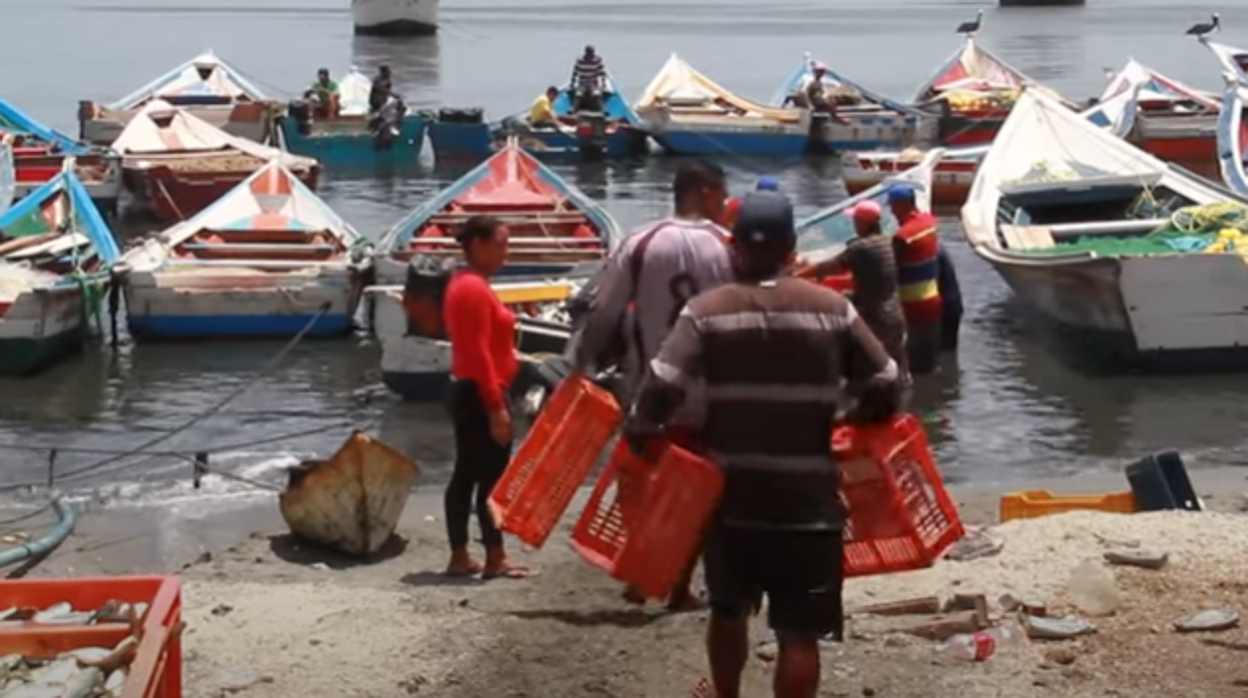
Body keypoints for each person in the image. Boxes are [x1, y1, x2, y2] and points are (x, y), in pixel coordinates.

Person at [626, 192, 899, 698]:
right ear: (792, 247)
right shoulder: (833, 310)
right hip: (809, 503)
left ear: (734, 249)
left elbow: (659, 390)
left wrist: (646, 434)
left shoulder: (706, 313)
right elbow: (886, 382)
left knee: (729, 611)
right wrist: (856, 418)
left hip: (731, 502)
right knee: (798, 636)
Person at [573, 160, 735, 610]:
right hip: (708, 395)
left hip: (649, 391)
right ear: (703, 192)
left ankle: (641, 573)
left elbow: (603, 313)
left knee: (641, 484)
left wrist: (578, 368)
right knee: (698, 492)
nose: (724, 206)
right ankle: (678, 585)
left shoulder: (639, 243)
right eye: (721, 196)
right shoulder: (726, 246)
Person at [442, 215, 530, 580]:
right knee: (490, 479)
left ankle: (461, 554)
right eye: (501, 244)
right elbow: (479, 353)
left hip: (469, 387)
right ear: (477, 245)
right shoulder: (473, 289)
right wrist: (496, 407)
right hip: (482, 389)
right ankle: (494, 556)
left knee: (467, 473)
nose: (506, 252)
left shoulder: (466, 284)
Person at [801, 200, 909, 378]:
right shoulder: (887, 242)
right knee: (900, 373)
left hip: (876, 319)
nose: (854, 224)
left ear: (863, 223)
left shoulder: (861, 247)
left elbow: (830, 267)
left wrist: (796, 275)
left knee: (866, 370)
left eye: (856, 220)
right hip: (896, 317)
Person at [887, 184, 943, 375]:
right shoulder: (929, 222)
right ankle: (935, 400)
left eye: (893, 205)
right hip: (933, 299)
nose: (891, 210)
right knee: (931, 362)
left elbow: (886, 266)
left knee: (914, 365)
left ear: (903, 205)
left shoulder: (903, 236)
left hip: (912, 305)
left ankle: (917, 401)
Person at [936, 243, 963, 352]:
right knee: (949, 350)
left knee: (940, 350)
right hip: (954, 303)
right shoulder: (938, 247)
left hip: (944, 306)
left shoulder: (932, 251)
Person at [569, 45, 607, 111]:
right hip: (582, 84)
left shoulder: (597, 60)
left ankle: (602, 109)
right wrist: (572, 84)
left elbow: (602, 73)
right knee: (578, 95)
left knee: (597, 94)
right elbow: (575, 73)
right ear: (586, 53)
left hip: (593, 84)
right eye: (589, 54)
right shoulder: (580, 60)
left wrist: (603, 84)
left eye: (592, 54)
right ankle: (573, 109)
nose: (590, 56)